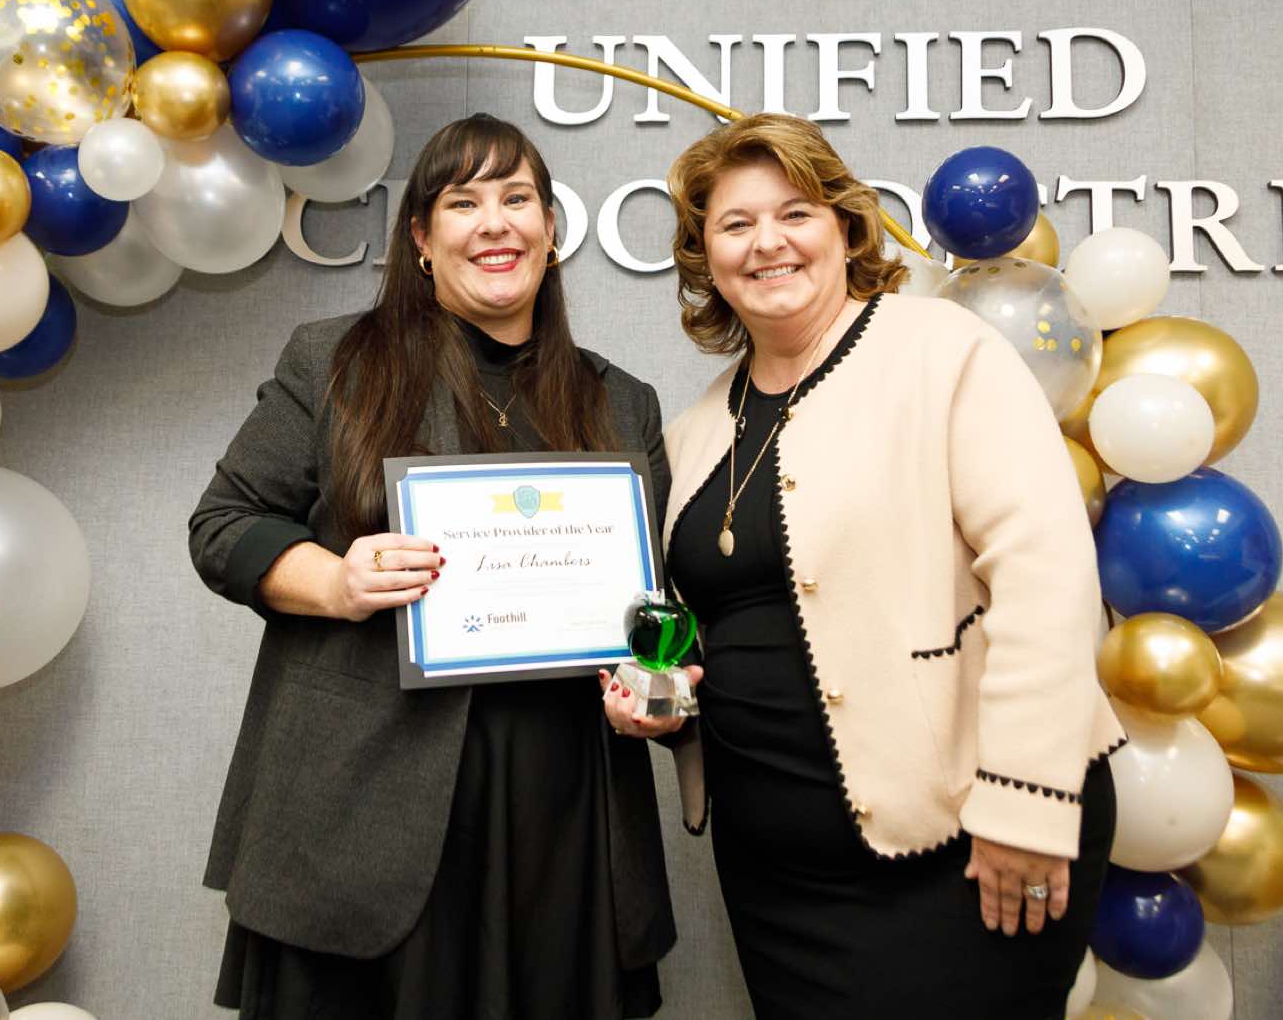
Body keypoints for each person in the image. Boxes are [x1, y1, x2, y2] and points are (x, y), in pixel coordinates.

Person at [603, 113, 1123, 1018]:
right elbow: (717, 633)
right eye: (735, 224)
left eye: (795, 213)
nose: (767, 242)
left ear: (845, 228)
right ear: (706, 259)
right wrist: (666, 703)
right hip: (775, 873)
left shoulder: (942, 350)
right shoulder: (693, 430)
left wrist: (1027, 802)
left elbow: (1048, 576)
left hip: (966, 840)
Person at [190, 114, 675, 1020]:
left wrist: (662, 682)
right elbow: (223, 526)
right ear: (421, 237)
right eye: (463, 201)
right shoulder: (335, 361)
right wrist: (334, 582)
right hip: (365, 808)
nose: (495, 223)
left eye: (517, 198)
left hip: (564, 820)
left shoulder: (621, 400)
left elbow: (654, 604)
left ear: (550, 229)